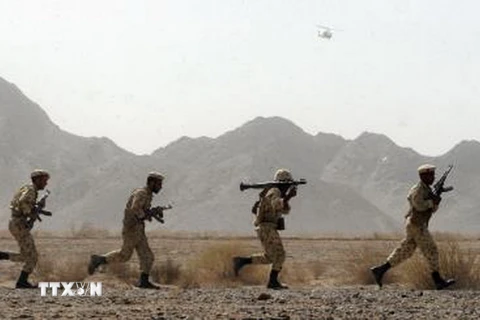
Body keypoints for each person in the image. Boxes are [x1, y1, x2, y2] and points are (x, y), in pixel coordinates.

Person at [370, 164, 455, 290]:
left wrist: (436, 199)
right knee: (431, 250)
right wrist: (432, 201)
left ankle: (380, 270)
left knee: (405, 251)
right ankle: (437, 281)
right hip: (417, 224)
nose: (433, 177)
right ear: (423, 176)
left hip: (415, 224)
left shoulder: (427, 190)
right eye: (430, 175)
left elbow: (432, 209)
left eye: (433, 175)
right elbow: (418, 205)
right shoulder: (418, 190)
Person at [87, 172, 165, 289]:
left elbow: (142, 210)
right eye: (159, 184)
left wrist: (152, 212)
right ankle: (99, 260)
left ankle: (144, 282)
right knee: (125, 255)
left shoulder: (147, 194)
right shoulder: (141, 193)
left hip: (138, 229)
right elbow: (135, 208)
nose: (160, 187)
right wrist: (145, 215)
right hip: (131, 229)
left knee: (147, 256)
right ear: (152, 183)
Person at [232, 169, 297, 290]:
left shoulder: (276, 192)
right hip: (266, 227)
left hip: (267, 227)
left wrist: (288, 198)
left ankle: (241, 261)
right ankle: (272, 282)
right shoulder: (274, 191)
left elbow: (285, 210)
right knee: (280, 255)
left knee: (270, 257)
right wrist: (288, 197)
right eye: (288, 184)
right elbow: (277, 205)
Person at [0, 169, 50, 289]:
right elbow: (23, 202)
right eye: (44, 180)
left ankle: (2, 256)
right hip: (19, 224)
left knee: (25, 256)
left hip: (17, 224)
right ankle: (22, 282)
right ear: (37, 180)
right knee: (32, 257)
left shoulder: (28, 189)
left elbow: (23, 203)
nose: (46, 183)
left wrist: (38, 209)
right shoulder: (31, 190)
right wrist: (31, 212)